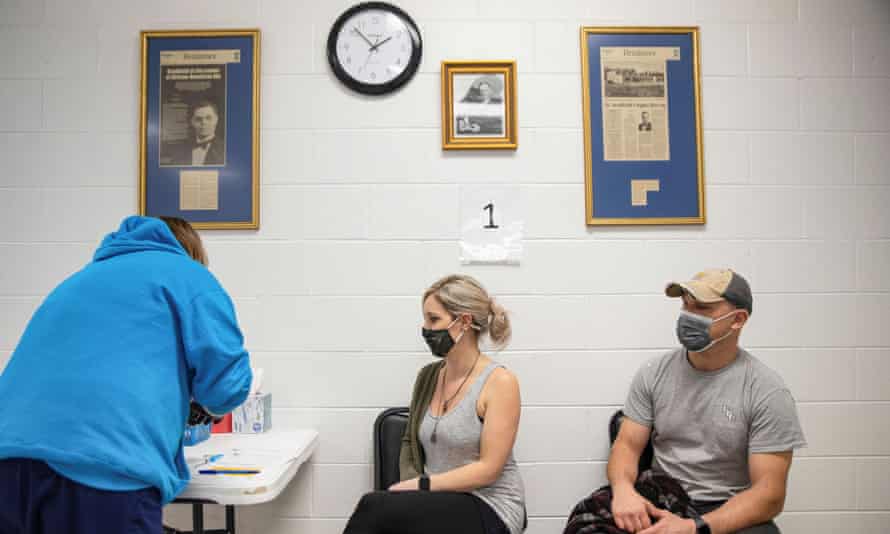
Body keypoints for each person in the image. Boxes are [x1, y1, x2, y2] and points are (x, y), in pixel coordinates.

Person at [0, 215, 252, 534]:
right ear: (192, 252)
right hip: (102, 467)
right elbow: (228, 386)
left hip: (9, 459)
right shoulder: (188, 275)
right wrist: (207, 407)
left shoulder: (81, 279)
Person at [565, 269, 806, 534]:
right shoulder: (654, 373)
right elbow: (627, 446)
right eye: (686, 305)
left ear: (737, 320)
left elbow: (769, 494)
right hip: (662, 495)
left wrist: (695, 527)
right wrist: (623, 492)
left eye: (702, 307)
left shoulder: (766, 391)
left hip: (726, 508)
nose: (689, 316)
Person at [343, 275, 526, 534]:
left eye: (433, 319)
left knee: (373, 507)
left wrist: (423, 485)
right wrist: (411, 491)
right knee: (382, 512)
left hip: (489, 504)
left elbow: (489, 469)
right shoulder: (428, 376)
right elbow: (410, 443)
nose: (426, 328)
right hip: (436, 500)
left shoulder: (500, 382)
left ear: (463, 322)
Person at [167, 100, 225, 166]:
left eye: (208, 118)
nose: (203, 123)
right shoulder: (180, 150)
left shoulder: (225, 150)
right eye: (198, 119)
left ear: (216, 120)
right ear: (192, 122)